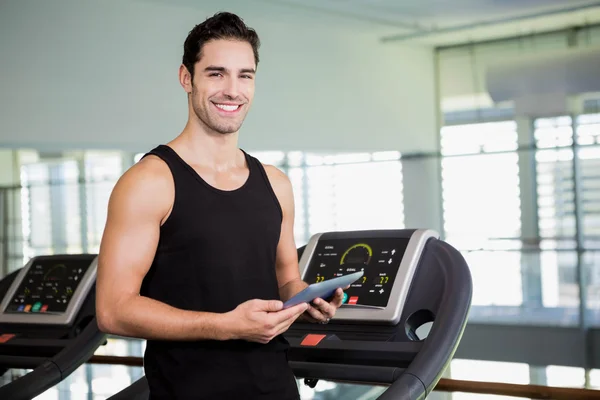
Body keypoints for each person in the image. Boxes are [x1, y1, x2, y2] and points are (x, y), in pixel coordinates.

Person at [95, 11, 345, 400]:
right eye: (216, 73)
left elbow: (286, 280)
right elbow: (113, 309)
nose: (232, 89)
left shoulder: (276, 183)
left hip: (276, 388)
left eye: (245, 75)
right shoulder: (149, 181)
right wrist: (227, 325)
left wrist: (307, 296)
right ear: (186, 78)